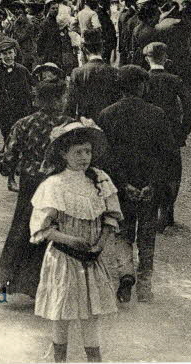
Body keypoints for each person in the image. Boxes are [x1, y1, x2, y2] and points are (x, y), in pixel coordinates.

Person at [30, 120, 121, 363]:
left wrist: (100, 243)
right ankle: (59, 358)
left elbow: (111, 217)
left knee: (91, 312)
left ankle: (94, 359)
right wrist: (70, 240)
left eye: (88, 151)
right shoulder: (54, 184)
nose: (84, 157)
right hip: (64, 257)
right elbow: (42, 229)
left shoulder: (99, 180)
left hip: (92, 258)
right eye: (77, 152)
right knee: (62, 311)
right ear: (63, 154)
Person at [0, 78, 74, 298]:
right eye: (63, 96)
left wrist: (14, 169)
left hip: (31, 185)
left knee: (23, 230)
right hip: (60, 186)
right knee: (58, 233)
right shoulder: (69, 126)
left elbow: (6, 163)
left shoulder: (23, 124)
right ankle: (55, 287)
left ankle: (16, 281)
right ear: (56, 99)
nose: (66, 100)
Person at [98, 65, 174, 303]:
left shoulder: (107, 115)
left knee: (123, 233)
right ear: (141, 86)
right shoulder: (157, 114)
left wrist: (122, 184)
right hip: (149, 187)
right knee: (147, 237)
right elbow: (167, 155)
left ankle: (125, 274)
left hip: (120, 188)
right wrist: (154, 184)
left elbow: (104, 157)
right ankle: (145, 287)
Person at [142, 41, 191, 229]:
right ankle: (167, 212)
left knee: (150, 170)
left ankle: (151, 211)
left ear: (147, 59)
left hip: (148, 134)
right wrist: (183, 131)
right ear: (165, 58)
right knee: (172, 172)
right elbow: (190, 106)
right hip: (171, 133)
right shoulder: (174, 80)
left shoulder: (143, 80)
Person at [0, 42, 33, 192]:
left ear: (15, 54)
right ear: (0, 55)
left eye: (11, 53)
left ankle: (11, 179)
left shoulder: (22, 71)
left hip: (13, 113)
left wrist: (25, 113)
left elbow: (29, 92)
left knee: (13, 145)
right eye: (5, 54)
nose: (8, 56)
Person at [68, 32, 117, 120]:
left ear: (85, 49)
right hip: (108, 122)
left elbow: (71, 105)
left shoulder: (77, 73)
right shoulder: (113, 72)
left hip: (86, 124)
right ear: (102, 48)